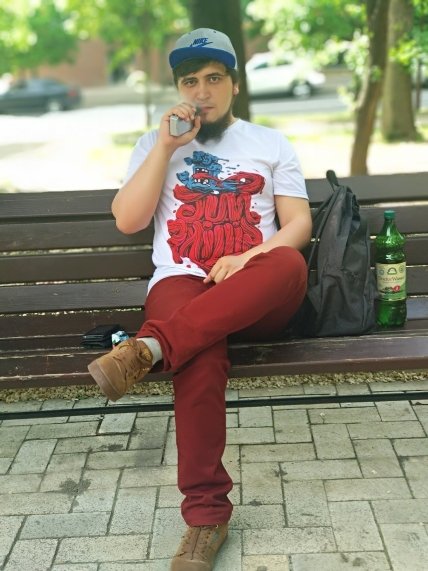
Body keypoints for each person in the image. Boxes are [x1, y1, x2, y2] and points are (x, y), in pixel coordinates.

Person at [88, 28, 312, 571]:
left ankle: (148, 349)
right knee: (199, 353)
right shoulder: (155, 144)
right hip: (182, 283)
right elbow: (128, 220)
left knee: (287, 262)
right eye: (191, 81)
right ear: (179, 89)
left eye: (214, 78)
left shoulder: (270, 143)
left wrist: (249, 256)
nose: (203, 91)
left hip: (256, 290)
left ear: (234, 84)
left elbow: (298, 226)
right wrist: (166, 147)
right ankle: (206, 519)